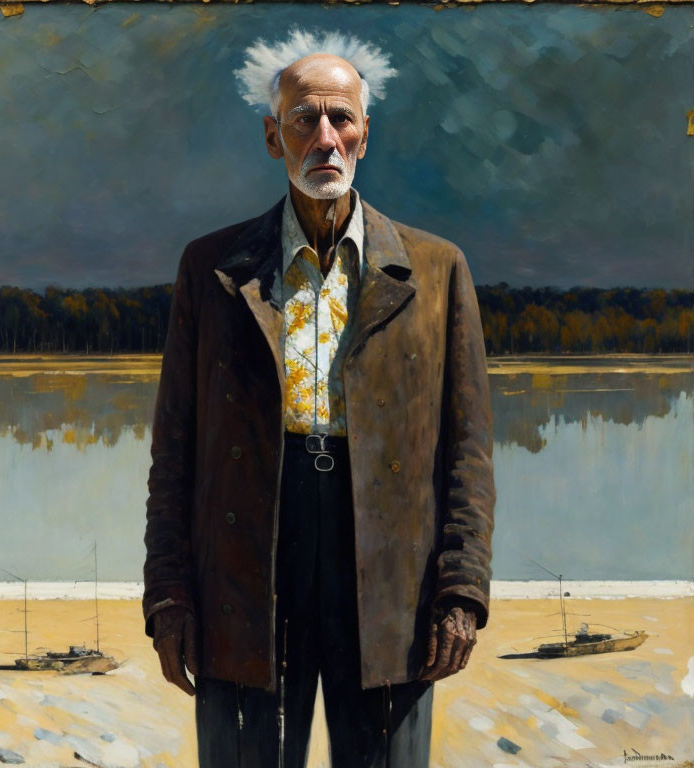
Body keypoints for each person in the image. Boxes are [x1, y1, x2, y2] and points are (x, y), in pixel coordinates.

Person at [142, 27, 495, 768]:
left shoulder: (437, 271)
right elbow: (173, 450)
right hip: (245, 562)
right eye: (306, 120)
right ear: (274, 138)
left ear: (366, 134)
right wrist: (169, 595)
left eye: (343, 119)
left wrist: (462, 592)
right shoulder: (211, 269)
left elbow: (467, 454)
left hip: (391, 567)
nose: (326, 138)